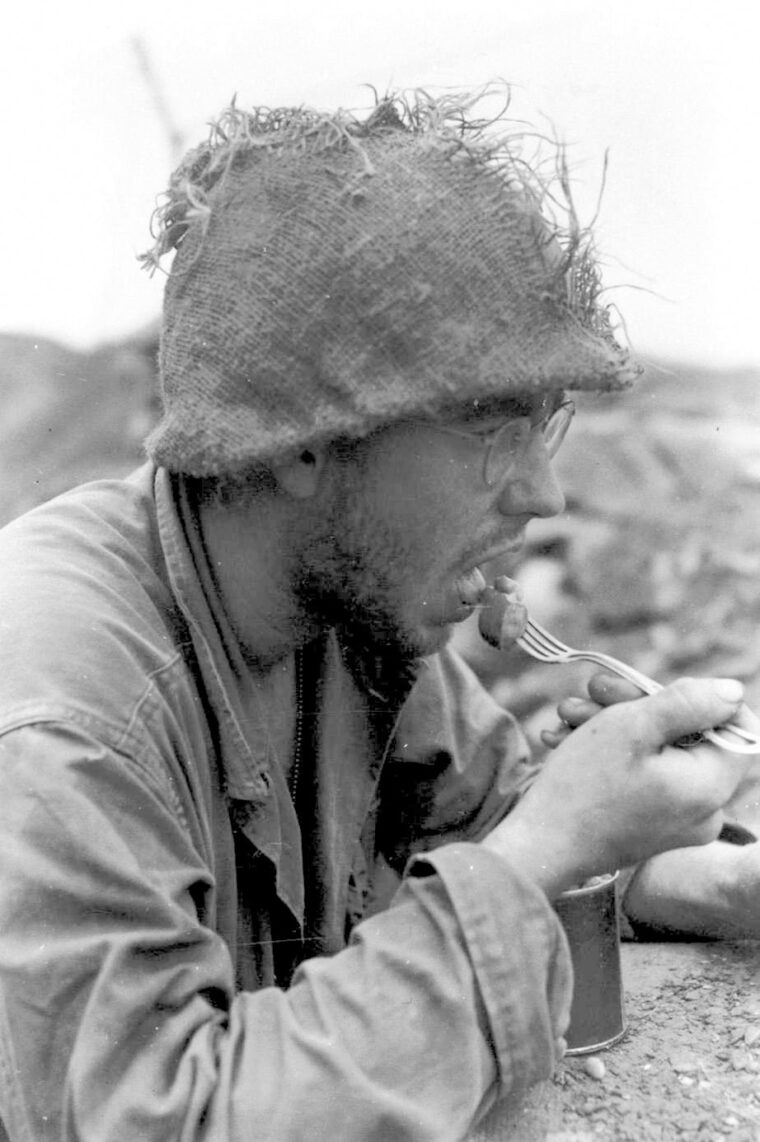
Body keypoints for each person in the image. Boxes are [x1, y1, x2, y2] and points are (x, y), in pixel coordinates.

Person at [0, 88, 757, 1142]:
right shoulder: (62, 719)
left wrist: (706, 876)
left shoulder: (350, 600)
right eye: (490, 426)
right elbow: (154, 1115)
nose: (544, 495)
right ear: (307, 442)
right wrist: (539, 854)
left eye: (550, 423)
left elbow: (489, 820)